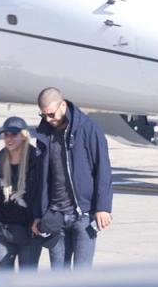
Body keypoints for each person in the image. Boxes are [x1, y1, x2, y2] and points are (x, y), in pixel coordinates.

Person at [31, 87, 113, 269]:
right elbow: (40, 178)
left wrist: (103, 207)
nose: (48, 119)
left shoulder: (88, 129)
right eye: (43, 115)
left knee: (81, 277)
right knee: (59, 279)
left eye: (51, 114)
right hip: (55, 216)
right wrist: (39, 214)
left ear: (63, 105)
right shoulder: (44, 133)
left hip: (83, 215)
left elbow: (103, 169)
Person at [0, 117, 42, 270]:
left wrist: (40, 220)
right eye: (6, 135)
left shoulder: (36, 159)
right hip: (4, 232)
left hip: (30, 233)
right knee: (4, 282)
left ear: (23, 135)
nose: (9, 139)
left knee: (27, 283)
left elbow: (42, 194)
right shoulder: (0, 159)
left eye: (13, 134)